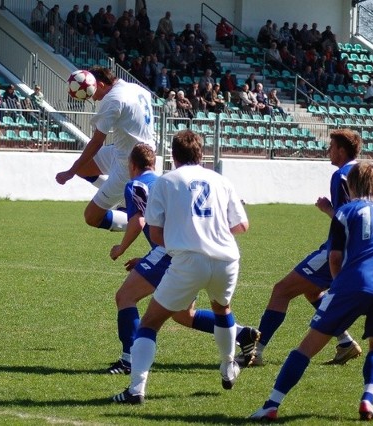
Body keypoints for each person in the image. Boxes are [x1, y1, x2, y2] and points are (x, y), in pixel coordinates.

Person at [245, 129, 373, 367]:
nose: (328, 150)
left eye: (331, 146)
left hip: (343, 253)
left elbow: (346, 220)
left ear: (341, 150)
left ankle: (255, 352)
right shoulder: (367, 175)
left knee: (282, 290)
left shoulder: (342, 175)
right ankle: (345, 343)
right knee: (311, 291)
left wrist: (328, 209)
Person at [251, 162, 373, 422]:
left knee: (305, 348)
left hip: (353, 285)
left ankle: (272, 404)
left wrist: (338, 285)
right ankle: (368, 400)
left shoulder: (346, 211)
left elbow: (335, 258)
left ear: (351, 186)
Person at [112, 130, 249, 404]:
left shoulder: (166, 182)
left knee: (150, 322)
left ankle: (136, 390)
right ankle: (228, 366)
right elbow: (242, 225)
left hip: (187, 260)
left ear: (173, 156)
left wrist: (183, 240)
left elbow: (156, 233)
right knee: (222, 310)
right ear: (202, 153)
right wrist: (213, 232)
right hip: (226, 258)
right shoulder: (222, 181)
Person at [55, 66, 155, 232]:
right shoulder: (137, 89)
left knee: (92, 217)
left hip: (130, 164)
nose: (93, 99)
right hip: (125, 151)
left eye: (92, 93)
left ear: (100, 84)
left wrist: (70, 172)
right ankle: (125, 199)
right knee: (83, 168)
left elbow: (96, 142)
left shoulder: (113, 99)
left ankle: (137, 217)